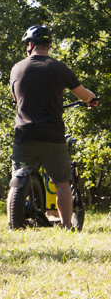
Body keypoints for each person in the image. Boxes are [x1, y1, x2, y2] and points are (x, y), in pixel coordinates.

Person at [9, 25, 98, 228]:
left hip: (24, 134)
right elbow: (83, 95)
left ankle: (13, 225)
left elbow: (16, 98)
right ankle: (67, 226)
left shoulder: (17, 68)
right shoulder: (59, 68)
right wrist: (91, 99)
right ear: (49, 46)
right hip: (52, 135)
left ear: (30, 45)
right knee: (61, 182)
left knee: (16, 181)